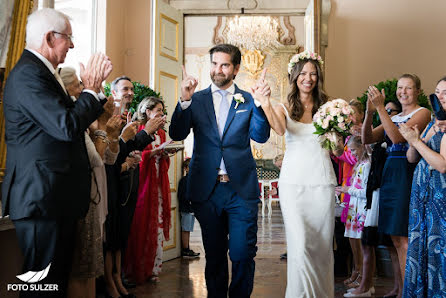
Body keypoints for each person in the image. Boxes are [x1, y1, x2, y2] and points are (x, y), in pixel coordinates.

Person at [1, 8, 112, 297]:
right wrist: (90, 90)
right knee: (41, 289)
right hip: (41, 200)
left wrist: (94, 92)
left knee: (54, 286)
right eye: (69, 39)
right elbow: (65, 126)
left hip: (53, 199)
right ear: (50, 38)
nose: (73, 46)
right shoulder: (28, 74)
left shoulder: (43, 73)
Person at [169, 43, 270, 297]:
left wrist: (259, 103)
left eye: (224, 65)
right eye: (214, 64)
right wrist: (183, 100)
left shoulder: (247, 99)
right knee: (214, 257)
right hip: (207, 190)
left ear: (236, 68)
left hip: (240, 190)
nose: (218, 70)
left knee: (242, 253)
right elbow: (177, 133)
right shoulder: (196, 98)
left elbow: (260, 135)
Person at [254, 51, 342, 297]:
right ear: (294, 76)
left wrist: (336, 136)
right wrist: (265, 102)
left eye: (313, 73)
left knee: (322, 248)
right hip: (293, 183)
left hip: (322, 182)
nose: (308, 78)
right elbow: (280, 130)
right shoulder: (284, 107)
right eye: (303, 73)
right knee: (300, 245)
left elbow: (338, 149)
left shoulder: (330, 107)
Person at [362, 74, 431, 296]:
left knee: (404, 237)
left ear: (417, 91)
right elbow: (367, 138)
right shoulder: (395, 115)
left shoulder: (422, 113)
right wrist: (370, 112)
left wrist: (381, 109)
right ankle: (401, 290)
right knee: (394, 237)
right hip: (389, 174)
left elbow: (398, 138)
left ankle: (410, 291)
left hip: (405, 172)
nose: (403, 92)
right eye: (400, 88)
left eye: (408, 88)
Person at [59, 68, 122, 298]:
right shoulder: (74, 123)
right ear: (66, 90)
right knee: (83, 268)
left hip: (97, 195)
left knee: (92, 268)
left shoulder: (86, 123)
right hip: (84, 199)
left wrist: (112, 135)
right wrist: (104, 129)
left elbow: (110, 158)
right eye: (77, 85)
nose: (81, 89)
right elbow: (95, 158)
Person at [103, 77, 164, 298]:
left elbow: (131, 145)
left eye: (131, 88)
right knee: (111, 235)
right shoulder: (107, 114)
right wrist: (141, 135)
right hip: (113, 179)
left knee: (121, 233)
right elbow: (112, 149)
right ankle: (110, 281)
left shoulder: (129, 117)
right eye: (124, 89)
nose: (129, 92)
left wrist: (142, 135)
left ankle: (118, 277)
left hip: (129, 180)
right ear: (113, 91)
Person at [400, 77, 446, 297]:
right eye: (437, 92)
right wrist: (412, 141)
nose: (440, 97)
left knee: (438, 249)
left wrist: (417, 142)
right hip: (423, 197)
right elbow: (412, 158)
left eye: (445, 92)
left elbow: (442, 164)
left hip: (439, 198)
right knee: (423, 247)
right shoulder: (432, 123)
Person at [124, 97, 172, 283]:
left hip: (159, 182)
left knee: (158, 225)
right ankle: (138, 268)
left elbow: (161, 156)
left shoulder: (161, 133)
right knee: (143, 224)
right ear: (147, 111)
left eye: (161, 110)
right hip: (144, 185)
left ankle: (154, 268)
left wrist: (165, 153)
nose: (160, 113)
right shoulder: (139, 130)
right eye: (157, 110)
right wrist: (151, 153)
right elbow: (135, 156)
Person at [335, 136, 372, 297]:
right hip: (354, 209)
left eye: (354, 150)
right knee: (357, 244)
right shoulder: (359, 165)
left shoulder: (368, 165)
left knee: (365, 247)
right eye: (350, 151)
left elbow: (366, 192)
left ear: (363, 146)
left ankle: (366, 281)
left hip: (362, 211)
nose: (352, 154)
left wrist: (347, 190)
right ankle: (361, 278)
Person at [178, 158, 200, 258]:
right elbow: (182, 196)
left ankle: (187, 247)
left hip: (191, 209)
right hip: (186, 208)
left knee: (188, 229)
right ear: (186, 169)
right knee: (186, 229)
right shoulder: (184, 180)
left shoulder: (193, 180)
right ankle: (185, 250)